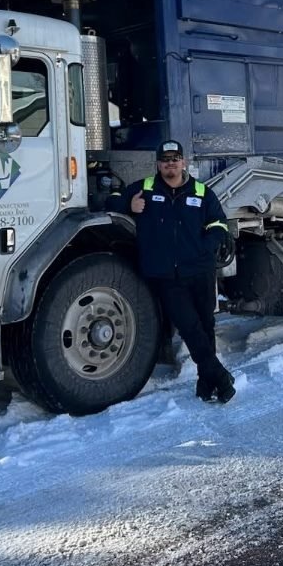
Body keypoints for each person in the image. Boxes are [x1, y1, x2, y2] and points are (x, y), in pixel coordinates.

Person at [108, 140, 236, 403]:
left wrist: (205, 248)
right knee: (189, 327)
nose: (170, 163)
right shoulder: (143, 189)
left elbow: (219, 224)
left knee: (205, 326)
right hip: (165, 275)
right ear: (158, 163)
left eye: (175, 158)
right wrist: (127, 207)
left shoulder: (201, 192)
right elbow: (107, 202)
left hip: (199, 271)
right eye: (165, 159)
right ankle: (221, 377)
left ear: (183, 162)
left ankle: (206, 383)